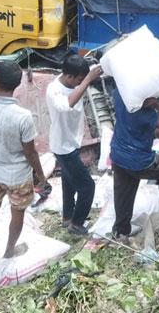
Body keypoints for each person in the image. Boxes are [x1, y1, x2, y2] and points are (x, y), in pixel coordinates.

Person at [0, 61, 46, 260]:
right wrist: (41, 176)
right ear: (17, 86)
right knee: (17, 212)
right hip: (18, 176)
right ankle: (9, 251)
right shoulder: (23, 117)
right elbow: (31, 154)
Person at [110, 88, 159, 241]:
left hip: (118, 155)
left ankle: (121, 231)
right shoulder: (147, 113)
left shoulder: (120, 94)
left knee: (123, 192)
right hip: (140, 161)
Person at [46, 55, 102, 236]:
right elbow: (67, 104)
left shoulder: (74, 82)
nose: (80, 84)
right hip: (63, 147)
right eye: (78, 80)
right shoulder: (54, 90)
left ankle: (68, 217)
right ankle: (76, 224)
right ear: (69, 76)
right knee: (87, 187)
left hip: (71, 142)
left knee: (68, 183)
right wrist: (86, 80)